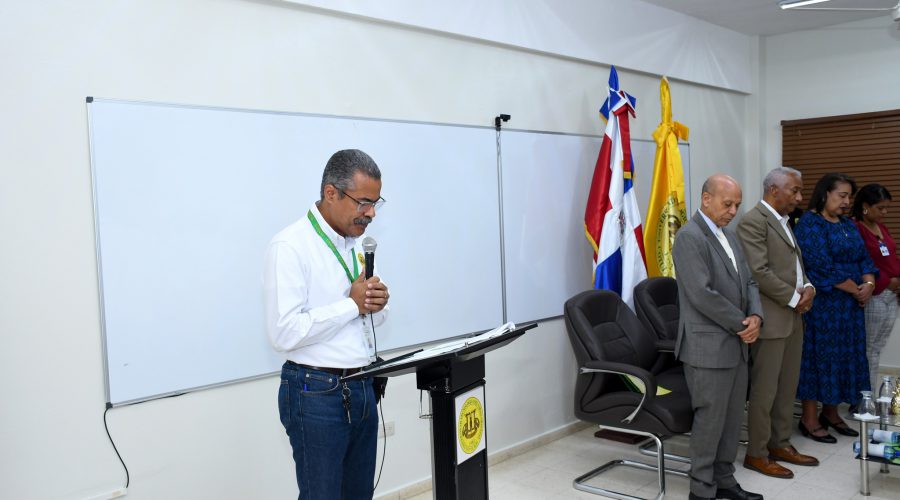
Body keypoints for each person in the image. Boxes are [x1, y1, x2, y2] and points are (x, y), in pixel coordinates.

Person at [263, 149, 390, 500]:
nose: (371, 213)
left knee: (358, 495)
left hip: (362, 384)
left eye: (376, 203)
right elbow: (283, 332)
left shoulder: (356, 245)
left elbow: (368, 318)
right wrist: (351, 305)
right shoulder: (290, 246)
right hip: (316, 392)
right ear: (331, 193)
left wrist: (377, 305)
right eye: (364, 202)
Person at [673, 174, 764, 500]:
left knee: (731, 419)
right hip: (708, 347)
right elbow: (702, 294)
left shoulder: (730, 236)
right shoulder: (689, 237)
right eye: (728, 204)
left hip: (736, 343)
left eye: (737, 205)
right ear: (706, 199)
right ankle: (701, 490)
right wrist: (743, 323)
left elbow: (749, 282)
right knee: (710, 422)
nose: (733, 211)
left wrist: (756, 316)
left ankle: (724, 481)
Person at [736, 167, 819, 480]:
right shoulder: (753, 221)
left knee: (787, 388)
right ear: (774, 190)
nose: (799, 197)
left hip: (793, 317)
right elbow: (759, 272)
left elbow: (795, 267)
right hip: (770, 319)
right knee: (765, 391)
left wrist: (808, 286)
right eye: (794, 190)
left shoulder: (784, 221)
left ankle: (780, 443)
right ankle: (757, 453)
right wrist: (796, 298)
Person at [794, 173, 876, 443]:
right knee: (818, 359)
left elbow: (864, 258)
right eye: (842, 195)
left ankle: (831, 413)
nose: (847, 202)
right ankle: (809, 418)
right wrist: (856, 288)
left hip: (851, 308)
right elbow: (819, 266)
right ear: (825, 194)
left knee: (844, 358)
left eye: (849, 197)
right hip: (823, 305)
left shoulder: (848, 224)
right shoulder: (810, 224)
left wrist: (869, 283)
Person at [852, 184, 900, 393]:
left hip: (891, 296)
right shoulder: (856, 228)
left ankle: (868, 394)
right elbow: (858, 263)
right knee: (868, 350)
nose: (885, 212)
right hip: (875, 295)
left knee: (877, 348)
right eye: (880, 208)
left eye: (886, 207)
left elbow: (890, 258)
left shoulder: (882, 228)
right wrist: (885, 281)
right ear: (865, 206)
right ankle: (865, 397)